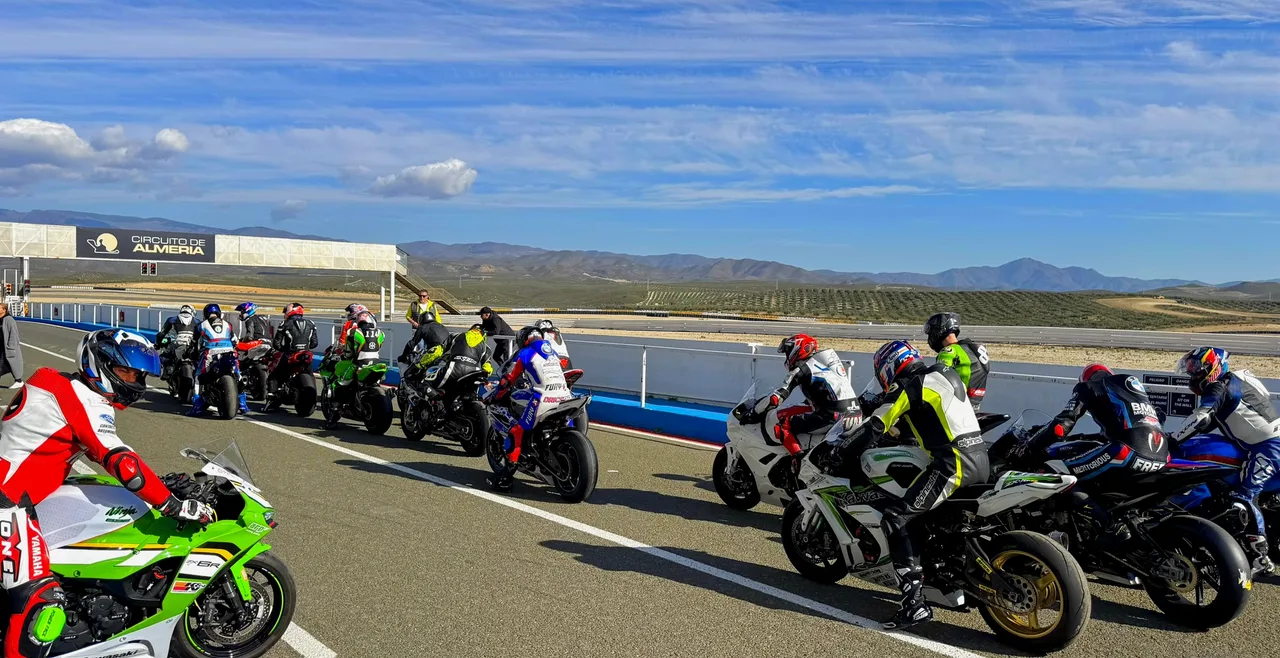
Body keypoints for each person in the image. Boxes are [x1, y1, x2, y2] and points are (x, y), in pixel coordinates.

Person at [0, 329, 213, 658]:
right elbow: (120, 461)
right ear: (98, 365)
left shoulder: (57, 384)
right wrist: (171, 504)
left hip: (18, 495)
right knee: (40, 599)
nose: (134, 382)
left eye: (138, 375)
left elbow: (92, 449)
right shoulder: (83, 398)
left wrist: (156, 481)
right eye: (126, 372)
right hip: (6, 501)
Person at [841, 340, 986, 630]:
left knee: (896, 517)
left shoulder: (909, 384)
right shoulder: (946, 374)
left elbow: (875, 425)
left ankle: (914, 604)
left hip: (951, 465)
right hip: (981, 458)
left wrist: (842, 452)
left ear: (889, 367)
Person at [1171, 347, 1280, 572]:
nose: (1194, 376)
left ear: (1213, 367)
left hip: (1270, 447)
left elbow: (1201, 418)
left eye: (1197, 371)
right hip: (1265, 443)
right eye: (1191, 371)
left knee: (1244, 496)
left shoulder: (1218, 387)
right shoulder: (1242, 377)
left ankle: (1260, 557)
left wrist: (1171, 441)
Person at [1016, 363, 1169, 484]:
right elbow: (1160, 416)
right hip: (1163, 456)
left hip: (1126, 451)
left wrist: (1029, 446)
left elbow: (1060, 428)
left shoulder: (1090, 387)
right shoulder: (1130, 393)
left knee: (1056, 475)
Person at [485, 327, 570, 492]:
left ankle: (506, 479)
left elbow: (508, 380)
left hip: (543, 399)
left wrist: (495, 396)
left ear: (524, 340)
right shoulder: (552, 352)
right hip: (565, 397)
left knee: (516, 431)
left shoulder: (526, 354)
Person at [749, 334, 858, 459]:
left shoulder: (802, 368)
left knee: (782, 423)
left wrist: (754, 412)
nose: (787, 355)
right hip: (854, 414)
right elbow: (823, 396)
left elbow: (777, 396)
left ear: (801, 348)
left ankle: (798, 460)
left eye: (788, 351)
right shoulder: (825, 367)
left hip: (832, 416)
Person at [323, 312, 384, 429]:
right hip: (375, 365)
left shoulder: (354, 332)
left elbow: (349, 352)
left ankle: (332, 418)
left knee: (337, 385)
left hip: (358, 365)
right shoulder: (381, 333)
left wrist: (343, 355)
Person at [188, 304, 248, 416]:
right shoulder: (228, 325)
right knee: (237, 375)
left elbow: (194, 343)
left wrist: (193, 353)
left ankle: (197, 406)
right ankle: (243, 403)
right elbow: (234, 340)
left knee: (198, 377)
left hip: (211, 352)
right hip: (229, 351)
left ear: (206, 314)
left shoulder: (201, 325)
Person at [923, 312, 991, 411]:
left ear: (939, 330)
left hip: (955, 408)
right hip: (975, 407)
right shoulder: (976, 348)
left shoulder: (949, 352)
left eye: (931, 333)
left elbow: (937, 381)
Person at [265, 303, 318, 410]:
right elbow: (314, 343)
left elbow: (277, 344)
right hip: (306, 355)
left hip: (291, 355)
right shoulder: (311, 323)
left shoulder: (284, 324)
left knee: (274, 376)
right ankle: (314, 400)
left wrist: (285, 349)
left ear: (290, 311)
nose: (285, 313)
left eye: (286, 311)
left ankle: (271, 402)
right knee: (311, 375)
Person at [422, 324, 494, 395]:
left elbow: (437, 351)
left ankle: (434, 400)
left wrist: (421, 363)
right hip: (473, 373)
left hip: (453, 368)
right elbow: (487, 369)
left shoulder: (457, 336)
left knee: (425, 384)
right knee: (472, 396)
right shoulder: (486, 348)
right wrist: (485, 378)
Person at [155, 305, 199, 381]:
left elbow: (162, 334)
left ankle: (166, 373)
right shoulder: (197, 321)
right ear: (192, 312)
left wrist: (158, 344)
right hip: (192, 346)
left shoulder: (172, 319)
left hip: (178, 344)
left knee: (163, 356)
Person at [0, 302, 23, 390]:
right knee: (8, 365)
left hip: (6, 348)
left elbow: (14, 334)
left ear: (4, 310)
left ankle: (19, 381)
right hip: (1, 347)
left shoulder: (9, 320)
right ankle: (18, 380)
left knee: (4, 365)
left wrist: (11, 347)